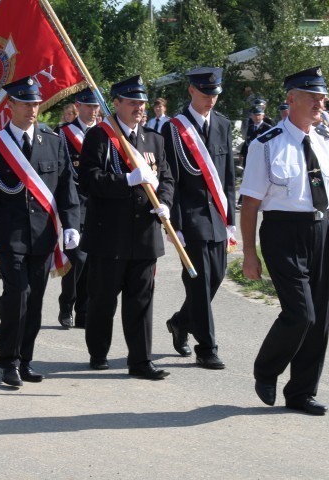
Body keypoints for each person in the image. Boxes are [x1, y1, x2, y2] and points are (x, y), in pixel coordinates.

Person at [239, 66, 329, 416]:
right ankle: (266, 368)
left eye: (322, 98)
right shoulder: (265, 146)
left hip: (320, 231)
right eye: (313, 97)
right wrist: (250, 254)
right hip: (282, 233)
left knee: (319, 317)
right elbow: (250, 204)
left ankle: (302, 392)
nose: (320, 104)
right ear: (291, 99)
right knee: (301, 313)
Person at [0, 76, 79, 387]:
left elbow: (65, 187)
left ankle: (26, 359)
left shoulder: (53, 141)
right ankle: (8, 361)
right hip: (10, 236)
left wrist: (71, 223)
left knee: (34, 302)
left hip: (43, 236)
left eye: (36, 103)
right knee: (17, 297)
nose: (33, 108)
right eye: (26, 103)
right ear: (11, 105)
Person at [78, 75, 174, 380]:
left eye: (142, 102)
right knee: (103, 300)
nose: (139, 108)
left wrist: (165, 203)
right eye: (132, 102)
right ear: (116, 103)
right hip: (109, 235)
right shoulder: (99, 138)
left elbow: (168, 179)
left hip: (145, 234)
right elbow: (89, 181)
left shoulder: (154, 140)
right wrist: (126, 181)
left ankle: (140, 360)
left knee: (141, 301)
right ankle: (98, 350)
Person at [161, 66, 235, 369]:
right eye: (205, 94)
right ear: (192, 91)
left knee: (216, 276)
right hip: (190, 217)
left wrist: (230, 217)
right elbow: (171, 178)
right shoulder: (173, 129)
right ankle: (207, 347)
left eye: (214, 95)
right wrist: (174, 225)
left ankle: (180, 321)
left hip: (216, 215)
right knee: (199, 280)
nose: (211, 100)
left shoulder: (223, 124)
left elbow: (228, 175)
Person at [55, 87, 100, 329]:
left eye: (95, 107)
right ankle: (66, 304)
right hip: (74, 203)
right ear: (78, 106)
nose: (92, 111)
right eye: (88, 106)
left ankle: (84, 310)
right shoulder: (62, 134)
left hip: (100, 204)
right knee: (77, 258)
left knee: (92, 261)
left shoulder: (105, 133)